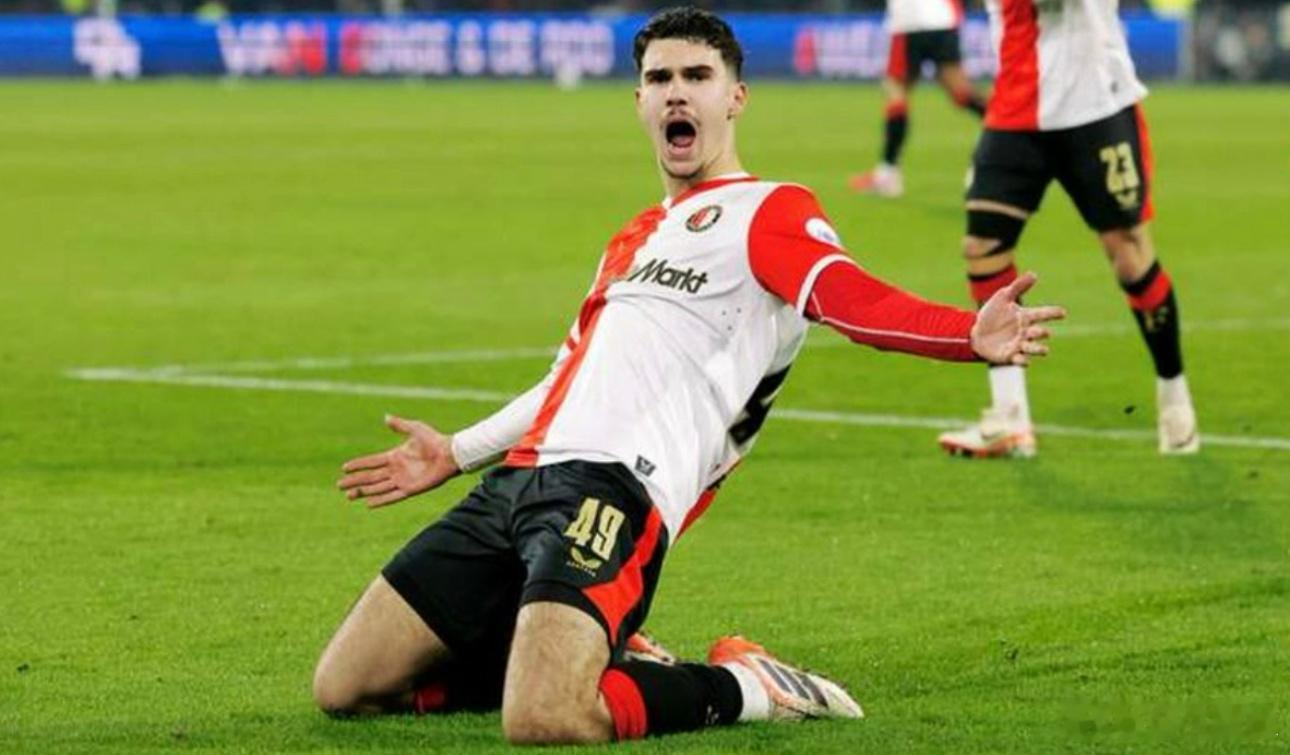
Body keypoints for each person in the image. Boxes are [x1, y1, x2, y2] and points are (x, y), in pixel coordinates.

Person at [312, 6, 1064, 745]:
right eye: (660, 78)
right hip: (515, 481)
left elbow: (848, 297)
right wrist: (456, 451)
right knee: (347, 685)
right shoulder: (633, 237)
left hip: (611, 489)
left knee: (545, 718)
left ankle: (749, 686)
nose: (677, 92)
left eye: (698, 77)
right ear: (639, 101)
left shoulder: (768, 210)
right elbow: (564, 380)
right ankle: (604, 656)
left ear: (735, 97)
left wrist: (966, 333)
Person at [936, 0, 1199, 458]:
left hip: (1095, 106)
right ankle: (1010, 416)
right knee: (983, 247)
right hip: (1016, 108)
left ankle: (1174, 395)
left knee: (1130, 255)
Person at [849, 0, 988, 198]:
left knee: (896, 88)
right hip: (943, 18)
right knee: (960, 91)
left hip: (909, 21)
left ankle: (888, 174)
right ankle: (1010, 128)